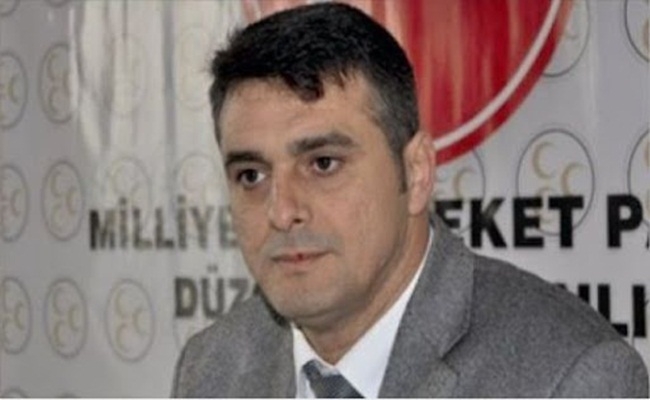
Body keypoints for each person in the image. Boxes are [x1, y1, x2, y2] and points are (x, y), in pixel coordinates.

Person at [172, 2, 648, 397]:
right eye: (251, 175)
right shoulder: (210, 366)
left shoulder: (571, 377)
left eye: (323, 164)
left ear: (417, 172)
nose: (281, 211)